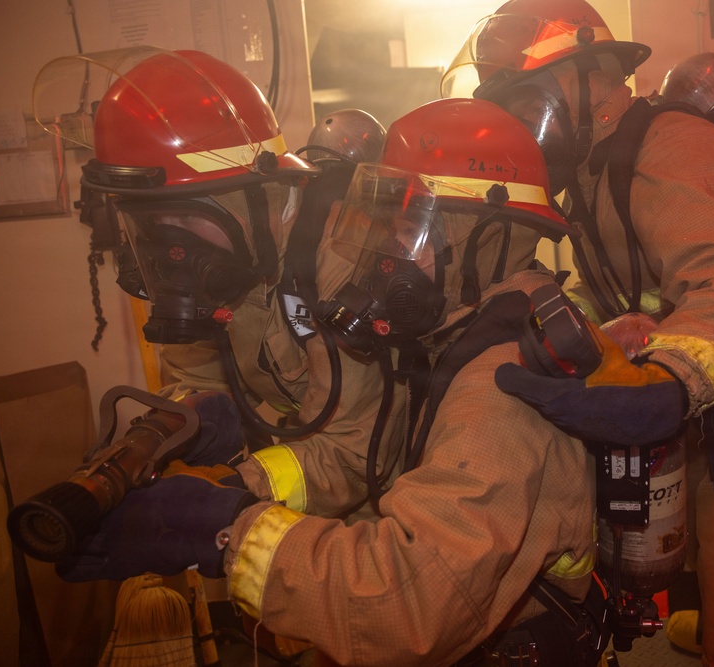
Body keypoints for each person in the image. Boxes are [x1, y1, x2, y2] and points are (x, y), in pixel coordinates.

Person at [58, 96, 608, 667]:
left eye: (407, 239)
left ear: (485, 240)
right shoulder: (456, 340)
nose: (381, 262)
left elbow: (404, 605)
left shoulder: (501, 387)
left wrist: (227, 531)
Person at [442, 1, 714, 665]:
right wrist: (575, 328)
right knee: (704, 537)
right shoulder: (595, 168)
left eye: (531, 104)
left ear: (593, 77)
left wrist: (673, 380)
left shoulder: (671, 148)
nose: (527, 130)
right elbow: (623, 284)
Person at [36, 46, 408, 522]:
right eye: (151, 223)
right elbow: (195, 380)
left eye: (186, 215)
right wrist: (159, 435)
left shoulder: (343, 260)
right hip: (297, 508)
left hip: (387, 514)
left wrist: (228, 495)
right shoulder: (207, 274)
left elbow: (352, 456)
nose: (171, 249)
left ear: (262, 199)